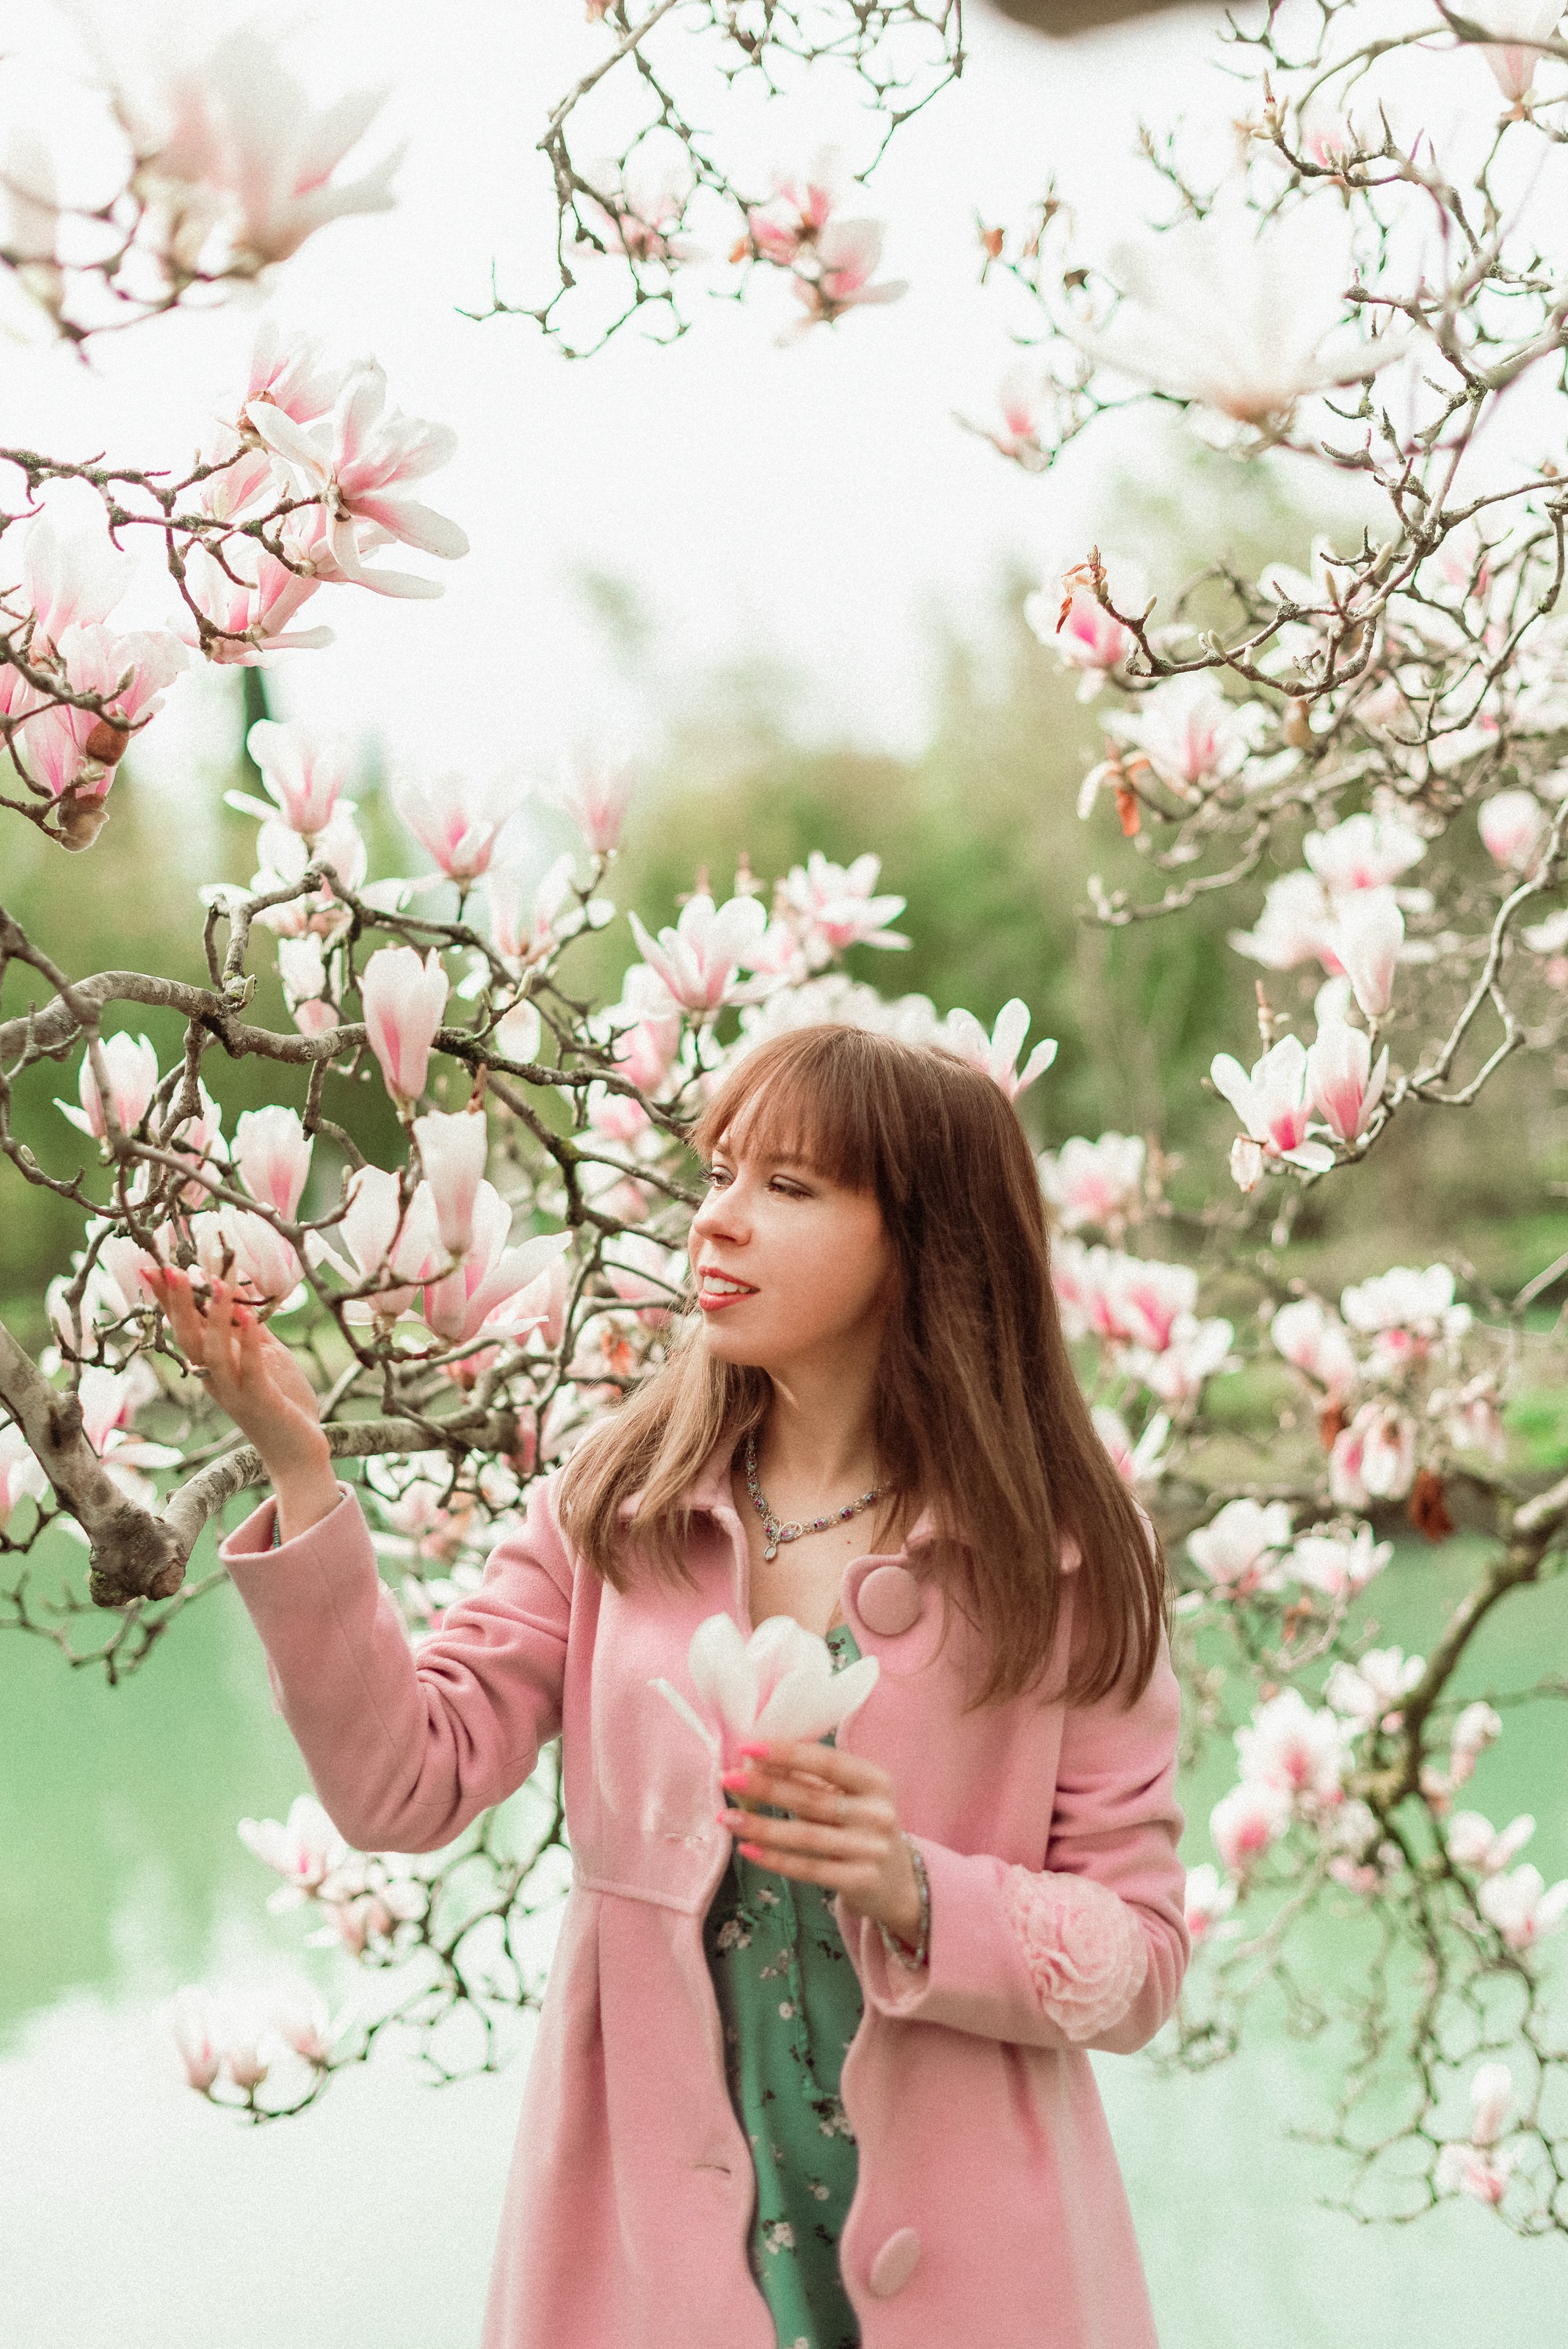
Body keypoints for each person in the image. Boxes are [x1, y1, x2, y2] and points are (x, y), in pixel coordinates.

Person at [148, 1022, 1189, 2349]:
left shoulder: (1065, 1555)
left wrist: (919, 1889)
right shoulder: (613, 1507)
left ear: (923, 1241)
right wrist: (301, 1473)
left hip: (985, 2272)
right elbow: (403, 1782)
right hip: (649, 2262)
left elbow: (1142, 1963)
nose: (719, 1222)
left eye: (790, 1188)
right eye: (718, 1174)